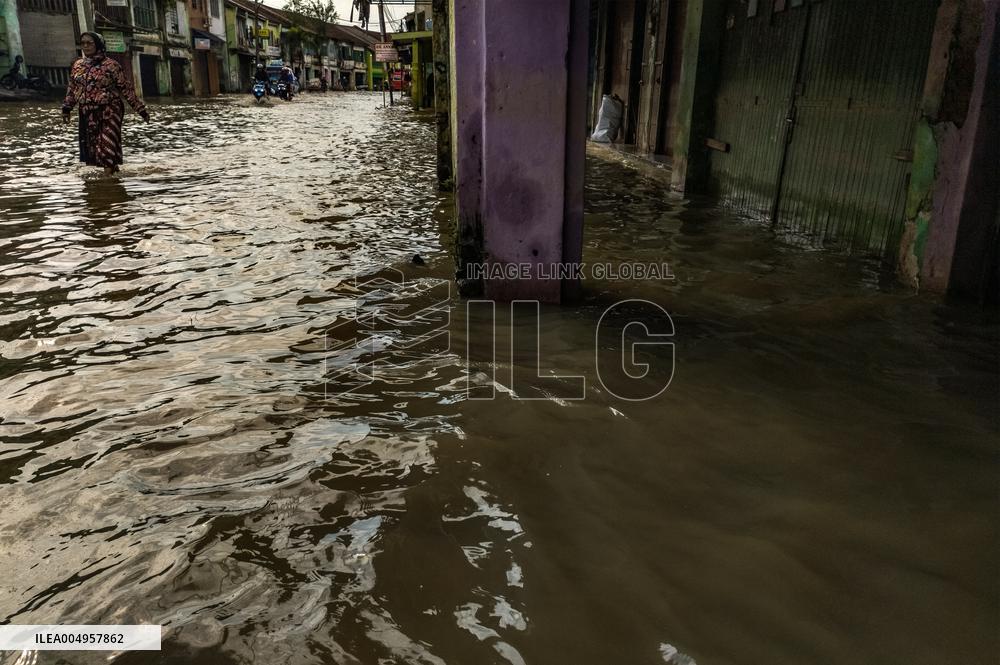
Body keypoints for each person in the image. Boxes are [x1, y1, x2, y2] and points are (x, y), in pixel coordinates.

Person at [62, 32, 149, 176]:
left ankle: (107, 182)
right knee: (96, 146)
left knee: (107, 143)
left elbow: (126, 88)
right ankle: (114, 173)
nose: (86, 46)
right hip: (88, 113)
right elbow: (72, 89)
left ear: (98, 45)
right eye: (83, 43)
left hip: (110, 111)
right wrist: (66, 108)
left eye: (89, 43)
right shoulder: (78, 66)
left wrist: (141, 110)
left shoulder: (111, 65)